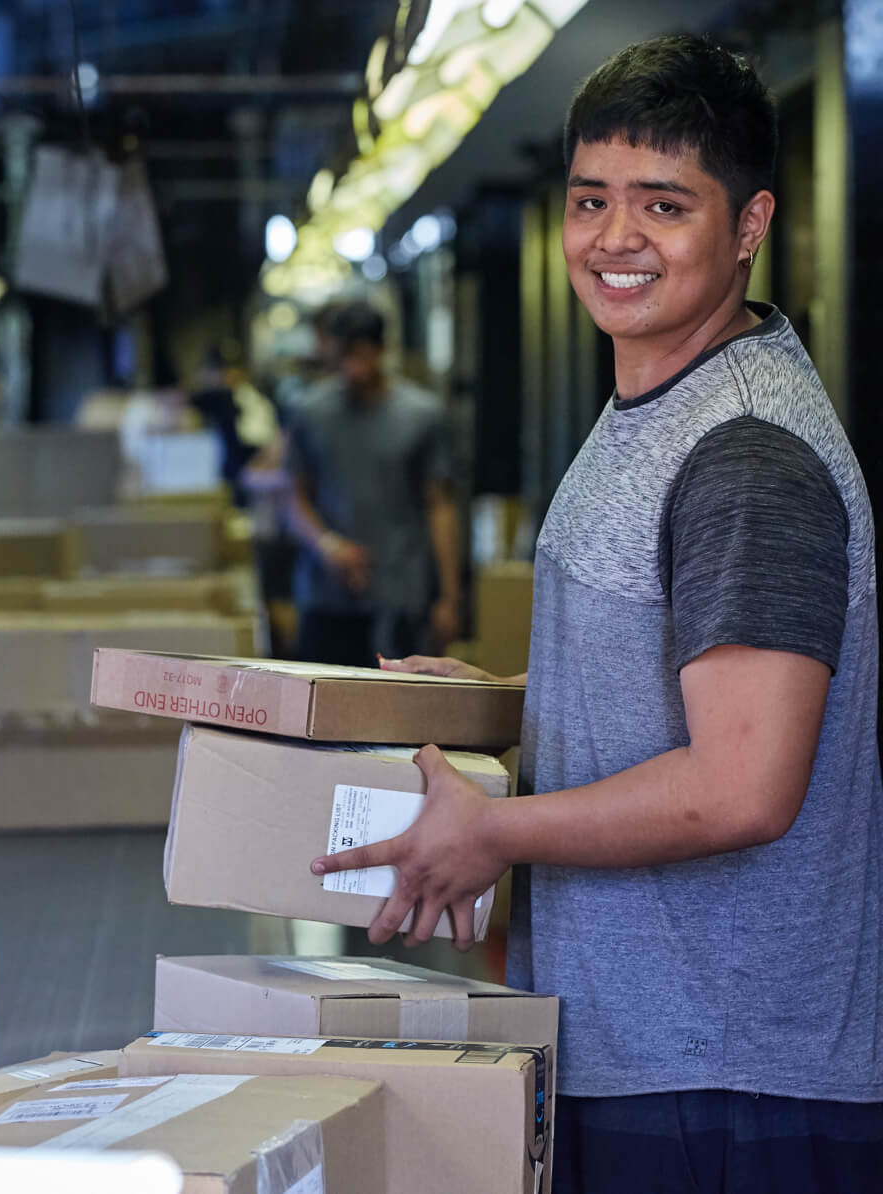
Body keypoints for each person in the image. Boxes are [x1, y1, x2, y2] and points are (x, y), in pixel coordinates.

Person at [312, 35, 882, 1192]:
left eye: (664, 204)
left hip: (726, 1081)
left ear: (751, 225)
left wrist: (492, 833)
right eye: (591, 200)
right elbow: (681, 686)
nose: (615, 240)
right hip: (645, 1052)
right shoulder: (650, 401)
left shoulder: (747, 457)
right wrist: (509, 705)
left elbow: (743, 783)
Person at [286, 301, 461, 665]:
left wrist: (450, 597)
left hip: (400, 596)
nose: (352, 367)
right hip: (326, 596)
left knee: (401, 716)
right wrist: (329, 546)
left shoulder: (421, 415)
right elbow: (294, 498)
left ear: (381, 350)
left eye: (361, 355)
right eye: (343, 356)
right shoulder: (310, 413)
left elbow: (439, 506)